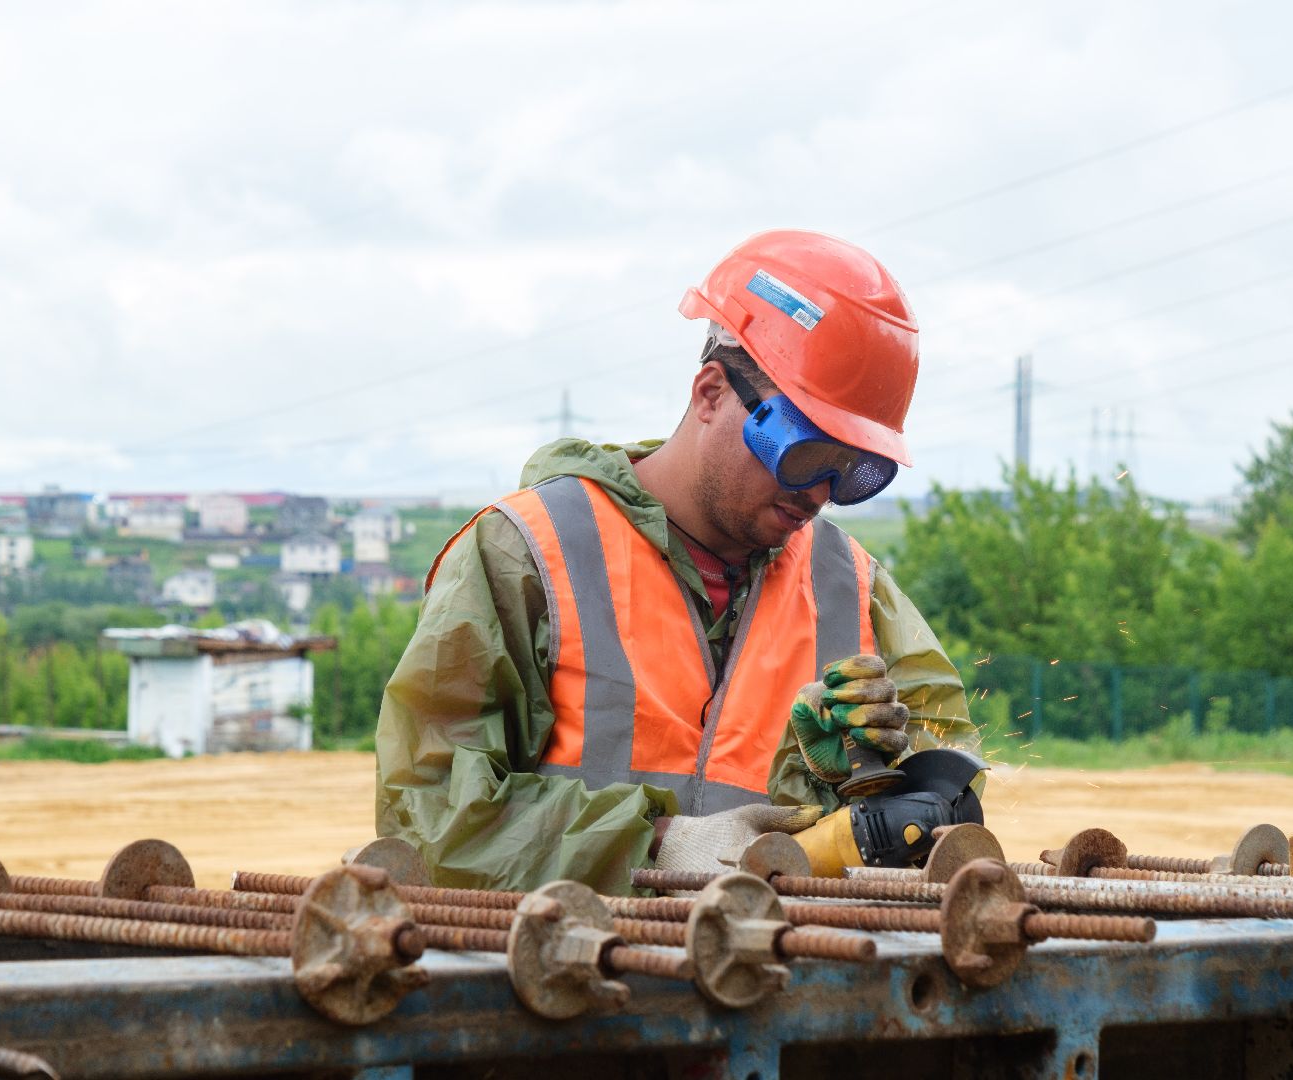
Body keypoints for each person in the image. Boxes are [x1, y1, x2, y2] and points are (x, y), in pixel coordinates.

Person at [374, 229, 977, 895]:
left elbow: (944, 803)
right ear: (713, 393)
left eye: (854, 472)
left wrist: (849, 784)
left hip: (781, 980)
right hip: (566, 977)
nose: (818, 494)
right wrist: (657, 846)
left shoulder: (851, 588)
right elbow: (430, 818)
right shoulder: (524, 556)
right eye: (802, 452)